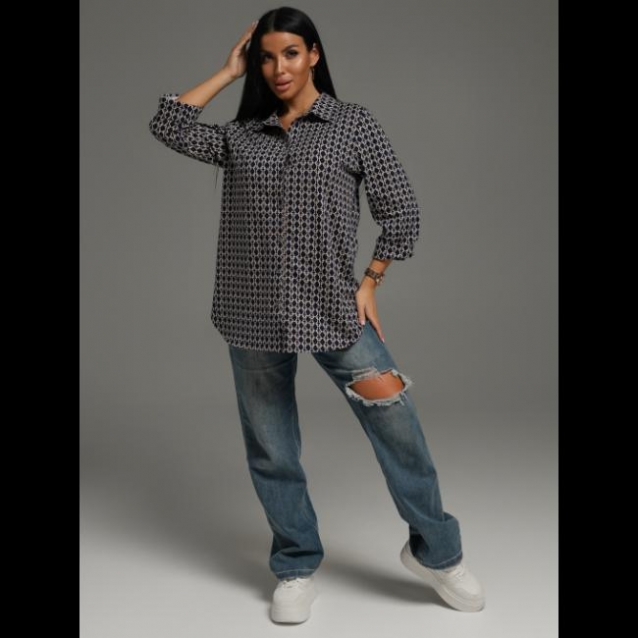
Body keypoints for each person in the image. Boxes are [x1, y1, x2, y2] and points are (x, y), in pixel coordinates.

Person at [149, 6, 485, 625]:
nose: (278, 68)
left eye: (290, 53)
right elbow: (168, 123)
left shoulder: (353, 125)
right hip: (251, 313)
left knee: (397, 426)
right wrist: (228, 72)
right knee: (272, 449)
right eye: (267, 57)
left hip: (332, 308)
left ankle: (437, 552)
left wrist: (371, 281)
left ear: (313, 55)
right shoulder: (240, 135)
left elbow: (401, 209)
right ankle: (296, 564)